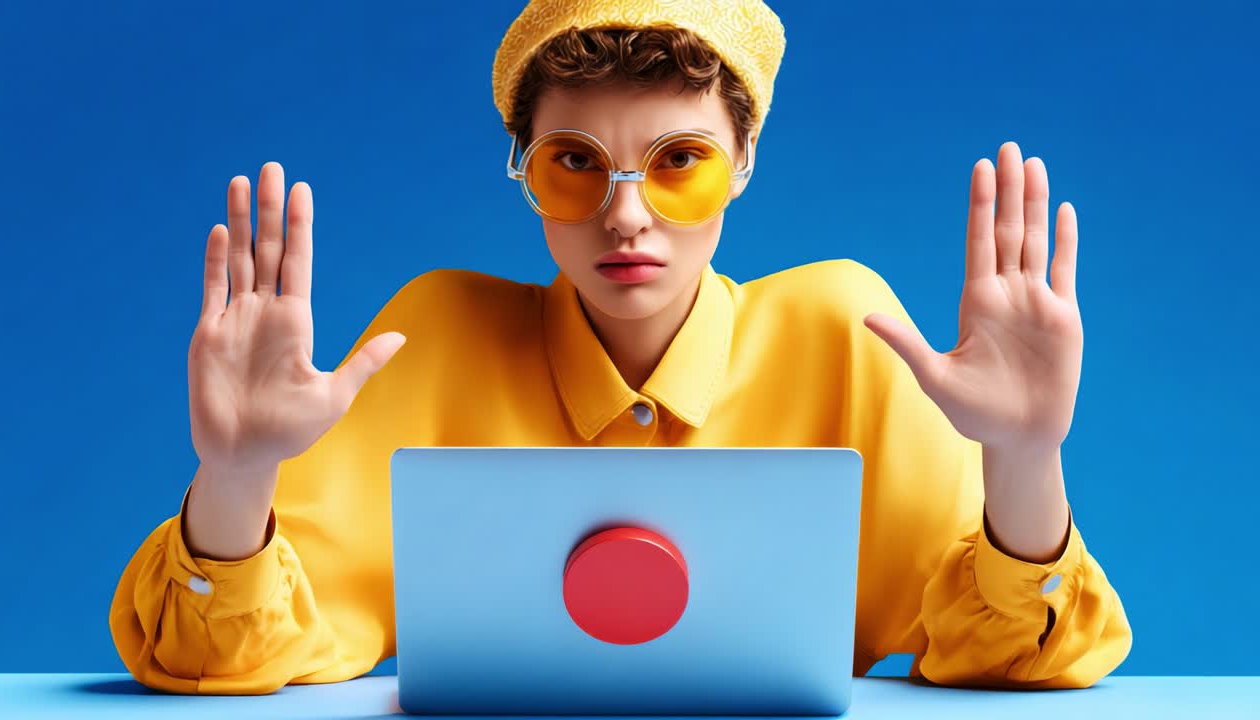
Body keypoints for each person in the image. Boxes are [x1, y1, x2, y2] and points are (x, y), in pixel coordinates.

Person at [109, 0, 1132, 696]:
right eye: (573, 164)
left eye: (677, 161)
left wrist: (1024, 460)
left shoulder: (844, 329)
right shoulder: (436, 338)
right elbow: (218, 659)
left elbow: (1013, 661)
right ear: (522, 169)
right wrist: (236, 476)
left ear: (742, 165)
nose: (623, 215)